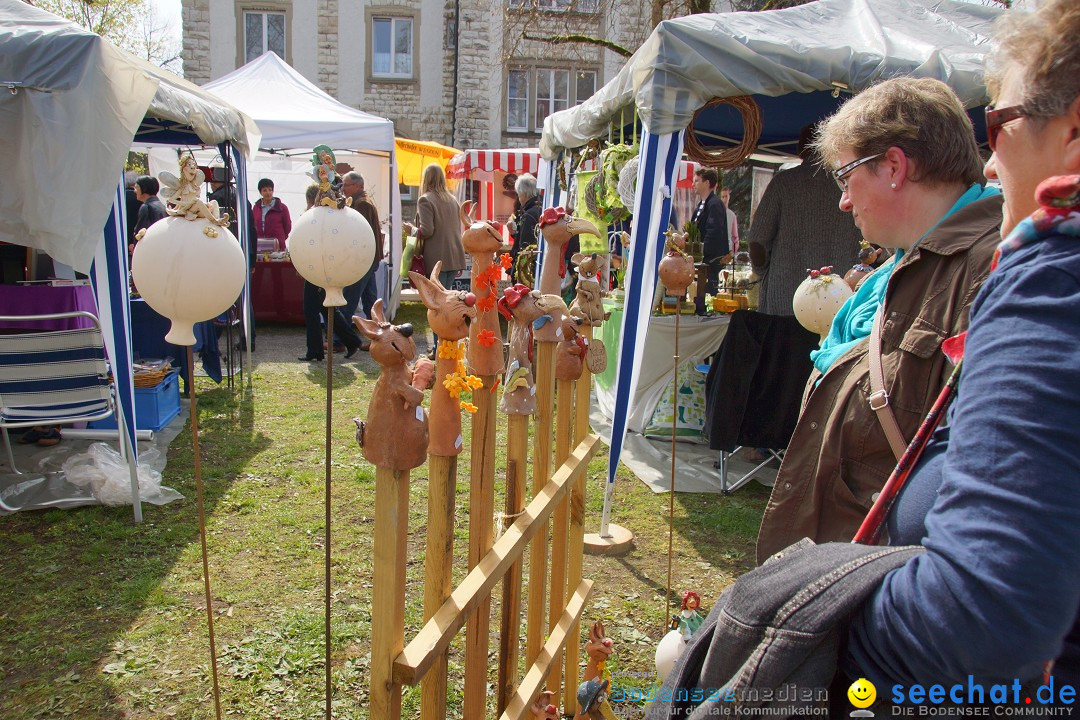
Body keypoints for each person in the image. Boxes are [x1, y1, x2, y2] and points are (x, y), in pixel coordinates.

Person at [842, 0, 1080, 691]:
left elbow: (984, 617)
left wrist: (801, 632)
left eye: (998, 123)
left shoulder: (1050, 277)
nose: (988, 157)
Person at [755, 77, 1004, 561]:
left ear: (894, 166)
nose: (844, 200)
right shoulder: (903, 265)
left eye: (846, 178)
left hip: (894, 574)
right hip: (857, 558)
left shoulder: (989, 271)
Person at [748, 124, 863, 315]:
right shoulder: (848, 185)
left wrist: (762, 272)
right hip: (839, 299)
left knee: (783, 344)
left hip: (785, 299)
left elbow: (757, 242)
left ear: (800, 149)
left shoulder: (783, 183)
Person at [403, 163, 467, 349]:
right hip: (454, 257)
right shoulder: (452, 200)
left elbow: (427, 230)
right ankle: (446, 343)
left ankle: (441, 345)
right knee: (447, 302)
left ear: (426, 179)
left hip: (435, 258)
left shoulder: (425, 200)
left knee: (437, 306)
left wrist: (411, 230)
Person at [299, 183, 365, 362]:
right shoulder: (328, 216)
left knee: (312, 310)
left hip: (316, 269)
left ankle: (315, 350)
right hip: (322, 267)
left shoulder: (316, 217)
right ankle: (351, 341)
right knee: (326, 308)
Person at [341, 171, 383, 320]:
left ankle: (338, 339)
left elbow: (360, 235)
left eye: (346, 185)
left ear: (357, 186)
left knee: (349, 299)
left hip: (363, 259)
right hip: (369, 258)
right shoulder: (363, 201)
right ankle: (379, 336)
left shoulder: (361, 203)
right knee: (370, 302)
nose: (343, 188)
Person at [687, 167, 730, 294]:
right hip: (703, 260)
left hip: (711, 260)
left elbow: (714, 231)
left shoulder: (714, 204)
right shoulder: (702, 204)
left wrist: (701, 251)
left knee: (709, 292)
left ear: (707, 183)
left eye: (696, 181)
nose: (693, 184)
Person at [509, 173, 542, 282]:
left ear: (524, 194)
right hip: (538, 266)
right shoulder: (541, 208)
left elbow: (525, 247)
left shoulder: (529, 215)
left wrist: (518, 271)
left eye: (518, 194)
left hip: (528, 271)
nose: (519, 198)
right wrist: (514, 233)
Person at [251, 178, 291, 253]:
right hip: (260, 247)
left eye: (270, 190)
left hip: (278, 247)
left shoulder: (282, 208)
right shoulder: (256, 208)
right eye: (265, 190)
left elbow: (287, 227)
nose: (268, 192)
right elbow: (253, 226)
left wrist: (280, 239)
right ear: (260, 192)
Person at [720, 186, 739, 254]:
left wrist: (732, 253)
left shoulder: (732, 215)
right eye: (723, 197)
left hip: (728, 250)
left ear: (729, 197)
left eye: (726, 196)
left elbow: (735, 237)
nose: (724, 199)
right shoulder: (715, 213)